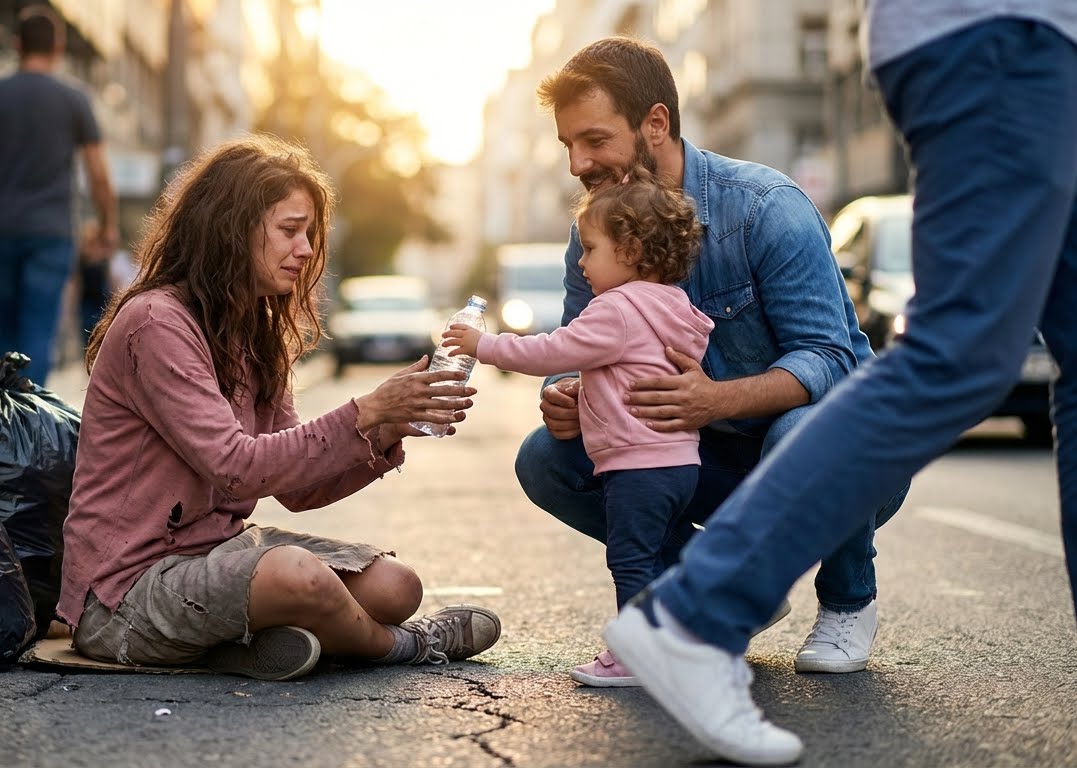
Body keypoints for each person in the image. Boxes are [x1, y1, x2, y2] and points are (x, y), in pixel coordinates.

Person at [605, 5, 1077, 765]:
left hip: (1037, 40)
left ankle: (699, 607)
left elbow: (821, 350)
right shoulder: (608, 218)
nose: (578, 161)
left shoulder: (758, 204)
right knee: (958, 354)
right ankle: (693, 615)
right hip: (999, 28)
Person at [514, 36, 910, 686]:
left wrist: (713, 401)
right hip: (697, 461)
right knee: (544, 459)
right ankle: (715, 585)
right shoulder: (591, 235)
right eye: (567, 147)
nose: (576, 163)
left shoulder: (763, 207)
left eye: (592, 140)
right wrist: (564, 394)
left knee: (805, 425)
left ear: (655, 124)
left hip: (825, 458)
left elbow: (834, 359)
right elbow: (574, 347)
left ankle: (847, 600)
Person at [58, 135, 502, 682]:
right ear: (231, 230)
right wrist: (363, 411)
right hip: (124, 593)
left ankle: (241, 644)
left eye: (310, 233)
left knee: (396, 585)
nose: (307, 249)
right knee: (298, 576)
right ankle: (408, 646)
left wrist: (386, 427)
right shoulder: (157, 323)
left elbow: (297, 489)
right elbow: (237, 466)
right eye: (290, 230)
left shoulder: (255, 331)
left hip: (215, 554)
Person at [444, 170, 712, 687]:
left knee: (632, 562)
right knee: (658, 556)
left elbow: (552, 350)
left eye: (590, 249)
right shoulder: (675, 306)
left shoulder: (616, 309)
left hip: (636, 466)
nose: (581, 262)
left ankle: (636, 656)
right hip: (681, 463)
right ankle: (683, 640)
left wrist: (484, 346)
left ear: (631, 250)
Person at [0, 5, 118, 386]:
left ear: (16, 45)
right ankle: (29, 417)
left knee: (5, 323)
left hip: (1, 227)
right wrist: (107, 225)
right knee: (38, 327)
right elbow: (99, 174)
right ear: (58, 48)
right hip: (52, 231)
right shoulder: (74, 99)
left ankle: (2, 414)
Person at [75, 220, 112, 347]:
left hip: (102, 302)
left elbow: (110, 280)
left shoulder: (104, 259)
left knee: (103, 335)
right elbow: (76, 284)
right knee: (88, 335)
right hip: (86, 303)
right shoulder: (82, 260)